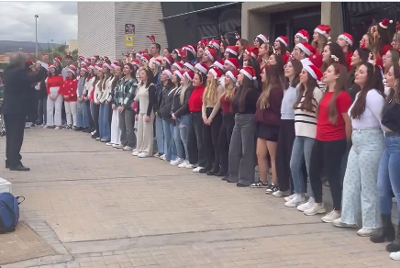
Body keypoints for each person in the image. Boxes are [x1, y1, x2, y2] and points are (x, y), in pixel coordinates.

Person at [334, 62, 385, 236]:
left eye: (361, 71)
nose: (356, 73)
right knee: (350, 179)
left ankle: (372, 223)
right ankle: (349, 217)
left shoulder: (373, 95)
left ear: (370, 76)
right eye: (357, 70)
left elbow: (383, 122)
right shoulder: (359, 94)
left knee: (368, 183)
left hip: (371, 140)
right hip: (358, 141)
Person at [306, 63, 352, 222]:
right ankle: (318, 202)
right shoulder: (326, 93)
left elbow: (348, 121)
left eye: (329, 71)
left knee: (332, 175)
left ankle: (338, 208)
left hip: (335, 140)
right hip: (321, 138)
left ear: (338, 75)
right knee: (313, 170)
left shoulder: (343, 96)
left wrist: (346, 143)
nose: (325, 73)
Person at [370, 62, 400, 255]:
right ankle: (386, 226)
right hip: (388, 143)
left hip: (397, 143)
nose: (386, 77)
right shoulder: (391, 97)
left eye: (389, 74)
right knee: (382, 187)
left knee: (398, 191)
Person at [287, 63, 324, 209]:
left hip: (311, 135)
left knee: (311, 168)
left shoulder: (316, 92)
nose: (300, 74)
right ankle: (299, 193)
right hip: (299, 134)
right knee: (294, 164)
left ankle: (315, 198)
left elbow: (320, 115)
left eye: (304, 72)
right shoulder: (301, 91)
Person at [3, 53, 46, 171]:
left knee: (11, 136)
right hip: (17, 109)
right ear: (20, 63)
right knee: (16, 136)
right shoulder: (18, 73)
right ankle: (15, 162)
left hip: (8, 108)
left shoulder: (8, 71)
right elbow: (34, 78)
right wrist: (42, 68)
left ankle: (10, 160)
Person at [227, 66, 259, 187]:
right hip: (238, 119)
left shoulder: (251, 91)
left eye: (240, 74)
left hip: (248, 119)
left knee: (247, 150)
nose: (238, 76)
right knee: (234, 148)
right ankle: (233, 174)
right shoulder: (239, 90)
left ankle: (246, 178)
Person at [274, 59, 302, 198]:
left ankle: (294, 189)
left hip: (292, 122)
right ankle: (283, 186)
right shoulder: (288, 86)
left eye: (290, 66)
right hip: (283, 121)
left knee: (291, 155)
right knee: (280, 155)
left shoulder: (298, 87)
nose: (287, 68)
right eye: (286, 66)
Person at [202, 68, 224, 175]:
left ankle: (217, 165)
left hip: (215, 115)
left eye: (210, 74)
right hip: (207, 112)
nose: (208, 75)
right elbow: (204, 103)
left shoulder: (219, 88)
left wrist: (210, 117)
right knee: (206, 141)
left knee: (215, 141)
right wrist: (204, 115)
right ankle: (208, 163)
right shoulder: (207, 88)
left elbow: (218, 104)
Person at [218, 70, 238, 178]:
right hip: (225, 117)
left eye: (228, 77)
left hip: (231, 117)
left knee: (229, 143)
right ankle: (224, 167)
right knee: (221, 142)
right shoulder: (225, 90)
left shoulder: (235, 90)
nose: (225, 79)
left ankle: (230, 170)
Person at [113, 63, 137, 151]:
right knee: (121, 125)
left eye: (127, 68)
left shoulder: (133, 81)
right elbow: (117, 92)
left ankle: (131, 143)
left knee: (128, 126)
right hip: (120, 106)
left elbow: (130, 95)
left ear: (131, 70)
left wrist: (124, 105)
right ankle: (123, 142)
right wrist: (118, 104)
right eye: (124, 68)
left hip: (128, 107)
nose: (125, 69)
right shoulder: (121, 80)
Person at [133, 66, 156, 158]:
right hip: (141, 111)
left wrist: (148, 114)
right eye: (140, 74)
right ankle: (140, 148)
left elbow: (151, 101)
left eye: (142, 74)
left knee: (147, 132)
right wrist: (137, 112)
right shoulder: (141, 86)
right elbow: (137, 100)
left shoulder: (151, 86)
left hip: (148, 112)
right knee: (140, 131)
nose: (140, 75)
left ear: (147, 75)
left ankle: (147, 151)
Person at [44, 65, 64, 129]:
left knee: (57, 108)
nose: (51, 69)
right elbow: (47, 87)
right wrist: (49, 94)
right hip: (50, 93)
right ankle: (49, 123)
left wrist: (57, 95)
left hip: (58, 93)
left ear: (55, 69)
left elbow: (61, 86)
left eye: (52, 68)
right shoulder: (49, 77)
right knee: (49, 108)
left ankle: (58, 124)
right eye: (50, 69)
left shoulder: (60, 76)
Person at [62, 65, 78, 130]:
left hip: (72, 99)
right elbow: (63, 89)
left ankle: (75, 124)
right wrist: (64, 95)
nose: (68, 74)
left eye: (70, 73)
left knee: (73, 112)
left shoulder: (74, 81)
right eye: (68, 73)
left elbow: (75, 90)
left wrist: (70, 95)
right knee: (67, 112)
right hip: (66, 99)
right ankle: (69, 123)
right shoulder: (66, 81)